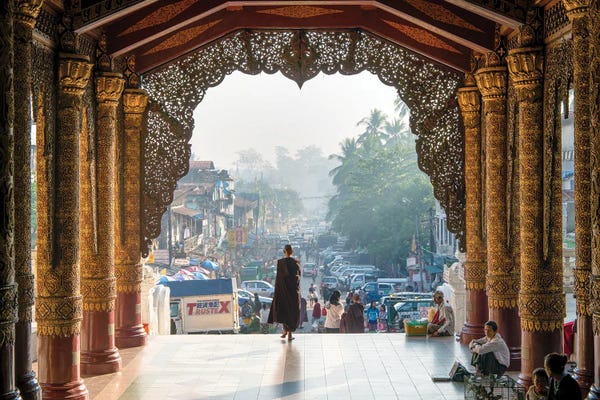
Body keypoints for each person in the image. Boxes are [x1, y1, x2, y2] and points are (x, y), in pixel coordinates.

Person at [268, 244, 301, 341]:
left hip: (283, 291)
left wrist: (278, 291)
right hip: (293, 292)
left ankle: (287, 332)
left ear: (284, 251)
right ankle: (288, 332)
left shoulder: (281, 263)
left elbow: (279, 279)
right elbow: (298, 278)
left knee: (284, 310)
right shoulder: (296, 262)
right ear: (292, 251)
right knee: (291, 311)